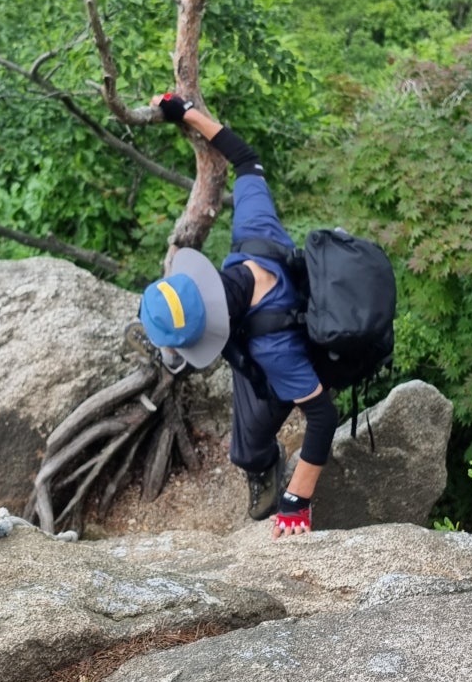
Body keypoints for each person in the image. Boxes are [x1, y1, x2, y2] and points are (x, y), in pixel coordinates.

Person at [133, 92, 339, 539]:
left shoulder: (275, 349)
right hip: (270, 332)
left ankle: (264, 467)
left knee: (246, 450)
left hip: (298, 355)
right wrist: (184, 110)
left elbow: (324, 417)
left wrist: (296, 502)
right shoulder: (253, 233)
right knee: (247, 437)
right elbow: (246, 159)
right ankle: (259, 459)